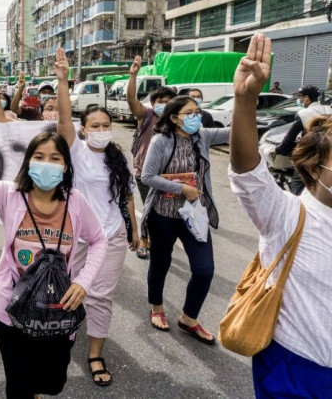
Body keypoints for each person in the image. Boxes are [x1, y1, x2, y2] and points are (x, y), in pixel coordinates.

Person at [0, 93, 107, 398]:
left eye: (55, 158)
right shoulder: (9, 195)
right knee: (19, 386)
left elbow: (100, 241)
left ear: (65, 167)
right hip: (12, 311)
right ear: (28, 161)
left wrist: (84, 282)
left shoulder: (75, 201)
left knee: (52, 384)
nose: (46, 164)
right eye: (39, 157)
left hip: (59, 311)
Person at [229, 33, 332, 397]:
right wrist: (245, 100)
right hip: (295, 370)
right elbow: (248, 173)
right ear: (317, 168)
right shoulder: (288, 214)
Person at [55, 47, 139, 386]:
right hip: (75, 237)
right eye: (95, 125)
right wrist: (62, 81)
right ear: (84, 129)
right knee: (69, 290)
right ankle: (65, 334)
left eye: (106, 125)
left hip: (112, 236)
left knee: (101, 295)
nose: (102, 129)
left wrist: (134, 230)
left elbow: (128, 195)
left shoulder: (118, 159)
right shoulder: (75, 151)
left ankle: (95, 354)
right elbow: (62, 120)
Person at [140, 95, 229, 344]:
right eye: (190, 113)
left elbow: (235, 133)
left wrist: (247, 103)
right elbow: (147, 177)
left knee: (204, 269)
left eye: (198, 112)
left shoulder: (203, 136)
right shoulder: (161, 141)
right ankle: (156, 307)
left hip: (194, 214)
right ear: (174, 118)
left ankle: (189, 318)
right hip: (164, 214)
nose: (196, 117)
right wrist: (181, 188)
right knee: (160, 262)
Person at [127, 55, 177, 259]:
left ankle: (160, 238)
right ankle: (145, 241)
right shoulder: (146, 115)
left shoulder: (177, 120)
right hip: (145, 173)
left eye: (168, 102)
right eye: (160, 101)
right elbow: (131, 99)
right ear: (153, 102)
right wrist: (133, 75)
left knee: (164, 211)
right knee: (149, 209)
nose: (164, 105)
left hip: (169, 176)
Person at [275, 85, 332, 195]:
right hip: (328, 155)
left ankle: (297, 207)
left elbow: (289, 139)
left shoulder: (303, 114)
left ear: (306, 98)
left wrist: (279, 149)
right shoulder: (329, 110)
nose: (299, 100)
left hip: (311, 155)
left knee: (297, 183)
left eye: (300, 97)